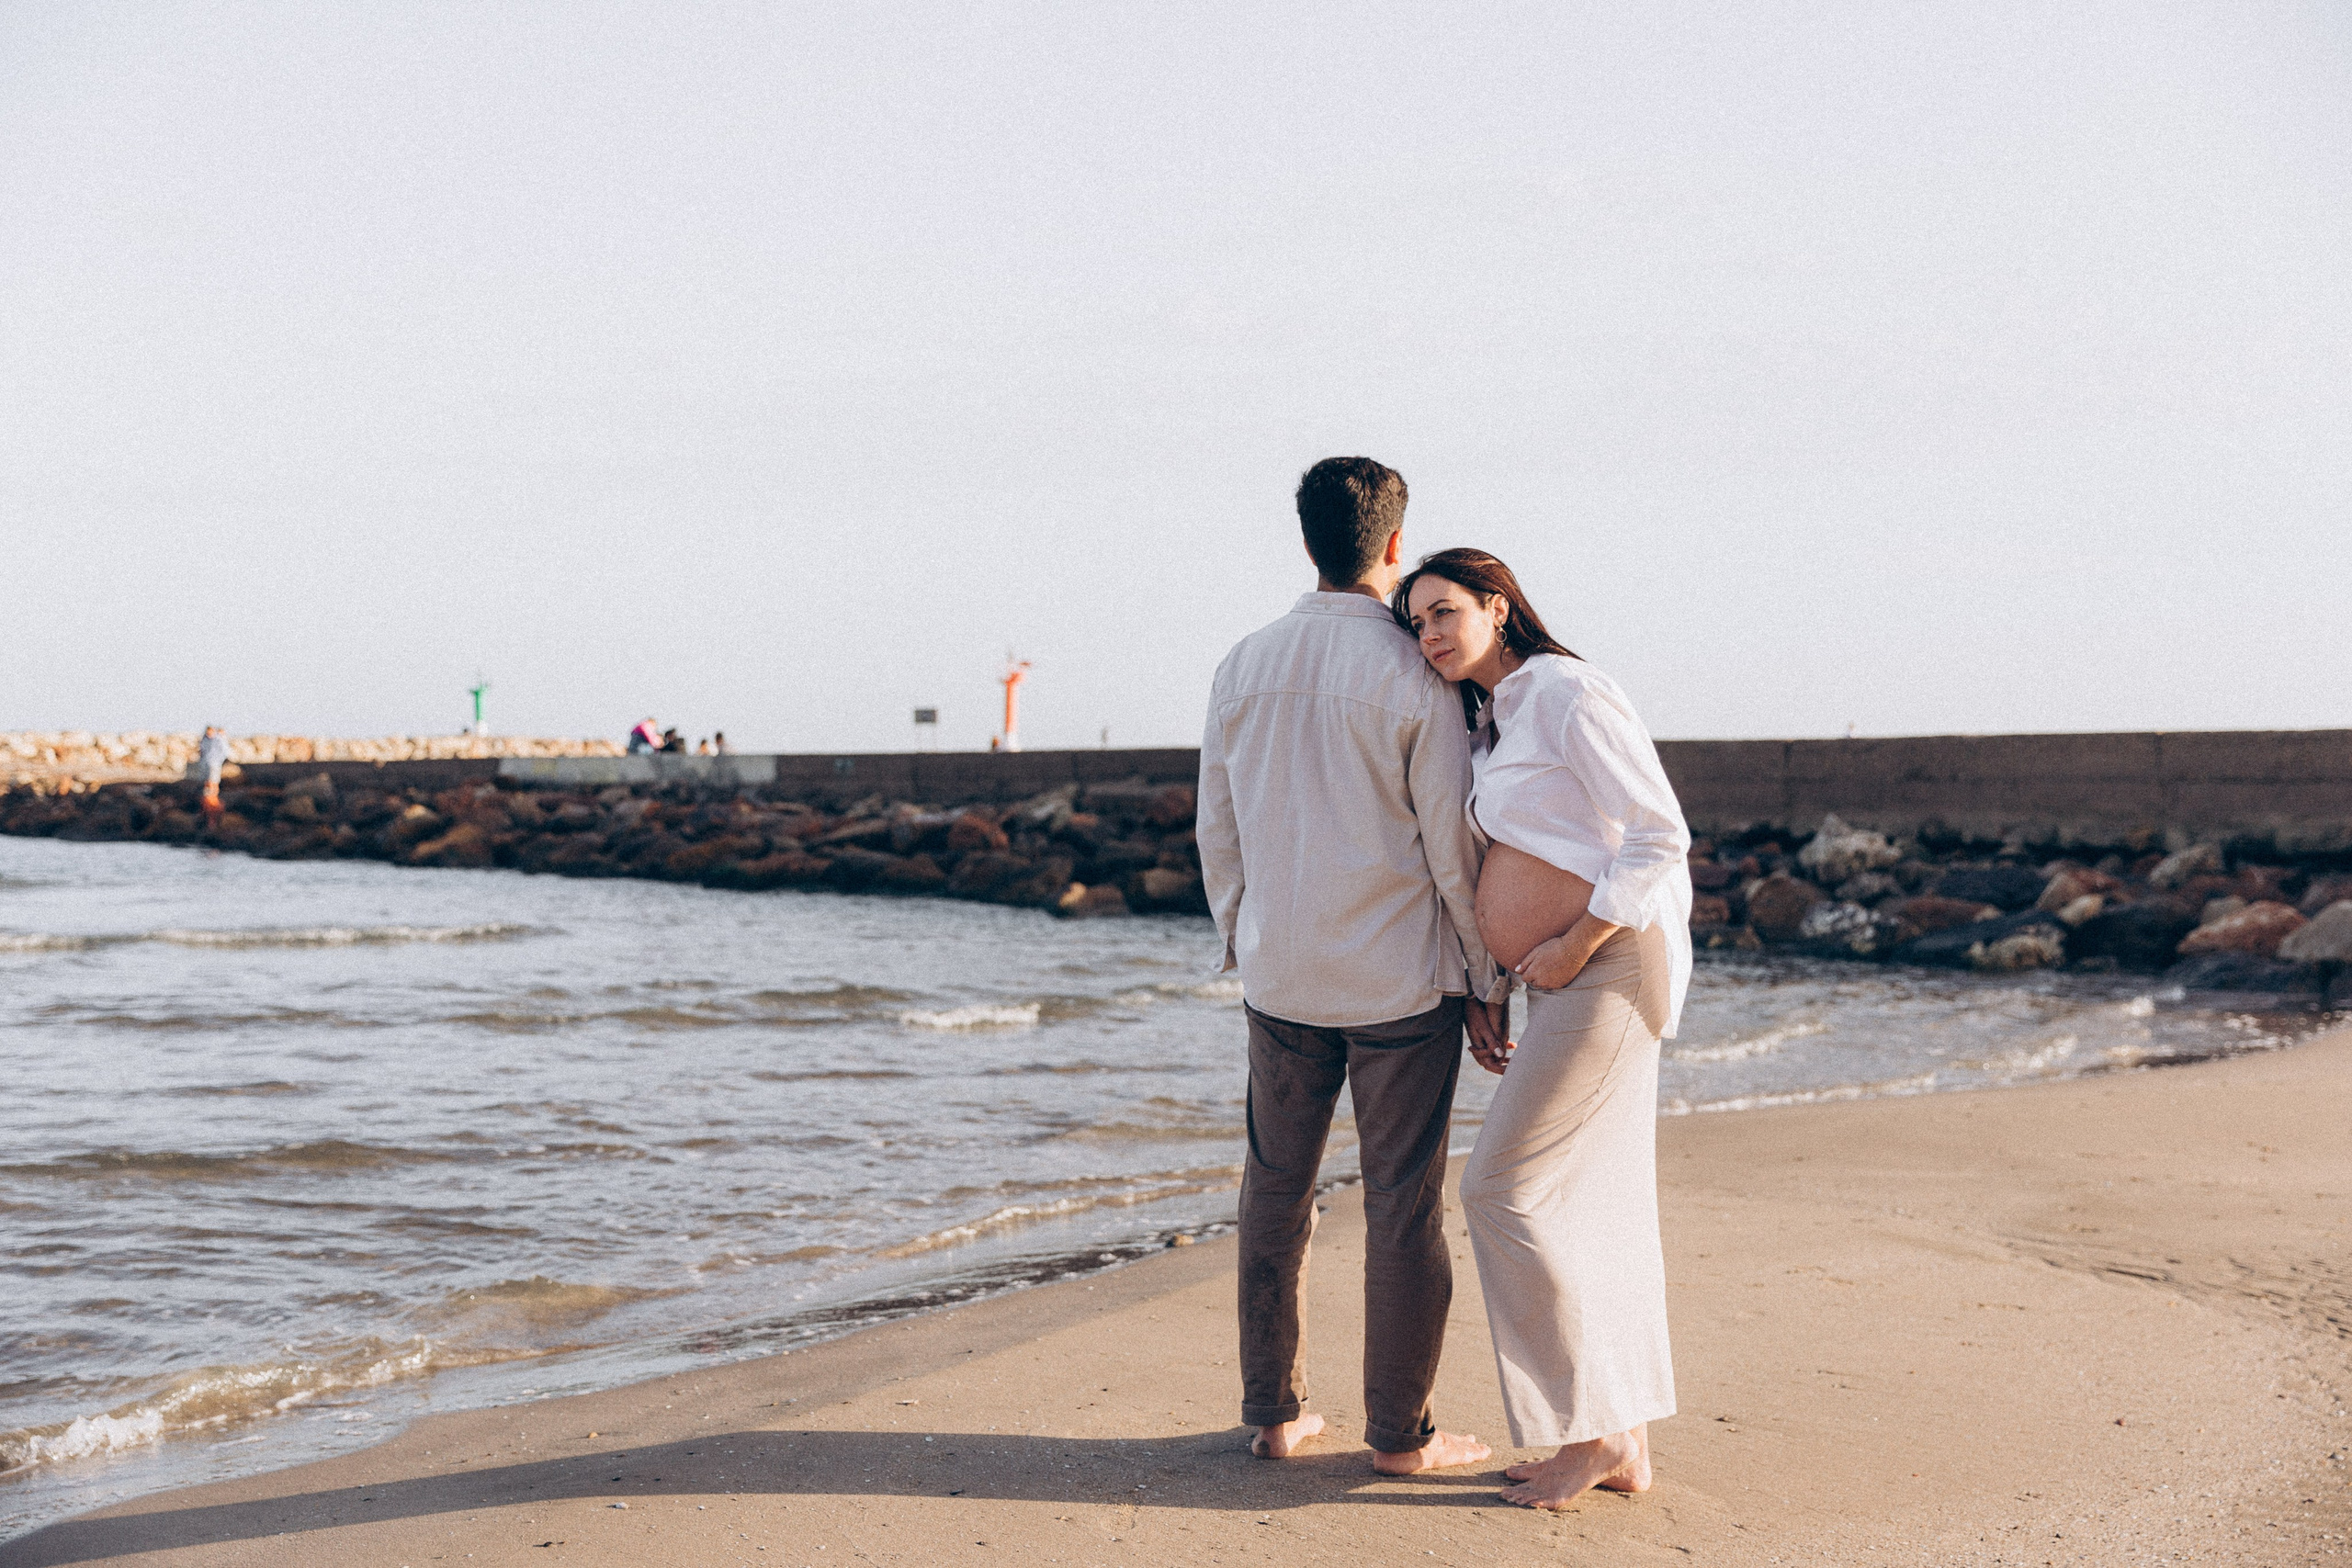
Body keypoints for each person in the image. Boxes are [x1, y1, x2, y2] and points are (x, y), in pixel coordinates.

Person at [1196, 457, 1511, 1475]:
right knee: (1401, 1199)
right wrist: (1481, 978)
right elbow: (1448, 853)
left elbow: (1219, 830)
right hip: (1397, 986)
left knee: (1274, 1190)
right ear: (1390, 548)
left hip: (1279, 975)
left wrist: (1237, 935)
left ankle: (1272, 1415)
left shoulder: (1240, 663)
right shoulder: (1416, 673)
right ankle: (1398, 1436)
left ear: (1305, 545)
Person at [1394, 547, 1693, 1511]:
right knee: (1581, 1205)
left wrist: (1572, 941)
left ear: (1497, 604)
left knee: (1501, 1191)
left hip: (1609, 964)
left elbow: (1658, 832)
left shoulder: (1564, 691)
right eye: (1415, 623)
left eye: (1443, 612)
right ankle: (1627, 1439)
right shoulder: (1491, 723)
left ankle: (1594, 1434)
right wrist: (1498, 980)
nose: (1429, 635)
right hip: (1558, 980)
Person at [196, 726, 230, 822]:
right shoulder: (205, 739)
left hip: (214, 763)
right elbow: (202, 751)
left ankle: (213, 795)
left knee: (213, 780)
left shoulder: (218, 739)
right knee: (206, 780)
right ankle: (208, 794)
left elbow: (224, 751)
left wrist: (218, 760)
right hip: (205, 763)